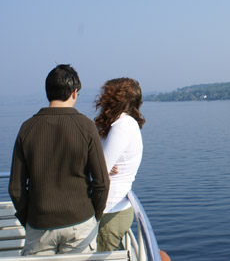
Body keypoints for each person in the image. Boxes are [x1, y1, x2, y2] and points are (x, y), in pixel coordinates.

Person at [8, 64, 110, 255]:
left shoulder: (27, 128)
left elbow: (15, 188)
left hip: (39, 223)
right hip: (80, 221)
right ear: (74, 93)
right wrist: (93, 217)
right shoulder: (86, 127)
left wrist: (28, 218)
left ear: (48, 92)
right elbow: (102, 183)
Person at [94, 78, 145, 251]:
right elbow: (101, 165)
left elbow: (101, 169)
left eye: (105, 95)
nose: (100, 100)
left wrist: (97, 164)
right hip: (109, 208)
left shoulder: (123, 126)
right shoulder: (120, 124)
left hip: (110, 209)